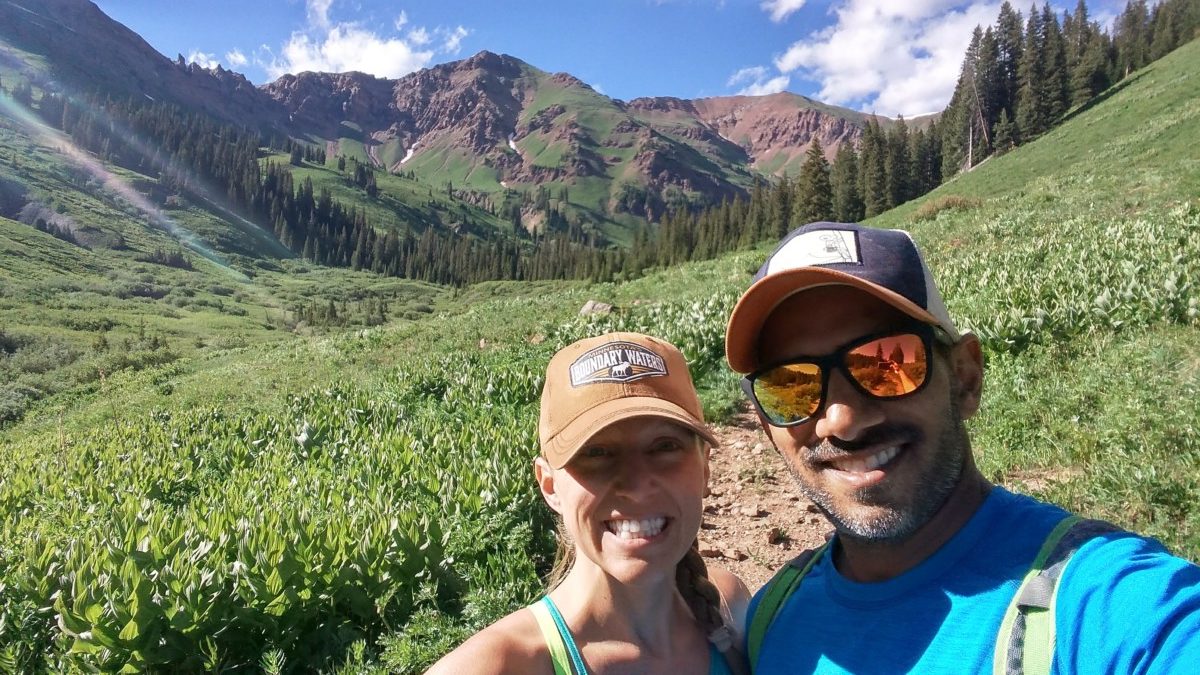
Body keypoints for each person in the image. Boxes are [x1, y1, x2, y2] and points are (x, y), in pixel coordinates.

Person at [723, 221, 1200, 673]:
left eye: (888, 363)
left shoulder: (1105, 605)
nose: (843, 420)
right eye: (791, 387)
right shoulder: (773, 618)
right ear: (768, 428)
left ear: (965, 378)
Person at [429, 332, 750, 674]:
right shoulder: (498, 665)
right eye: (597, 453)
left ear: (704, 469)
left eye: (664, 446)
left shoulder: (731, 604)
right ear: (549, 485)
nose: (638, 488)